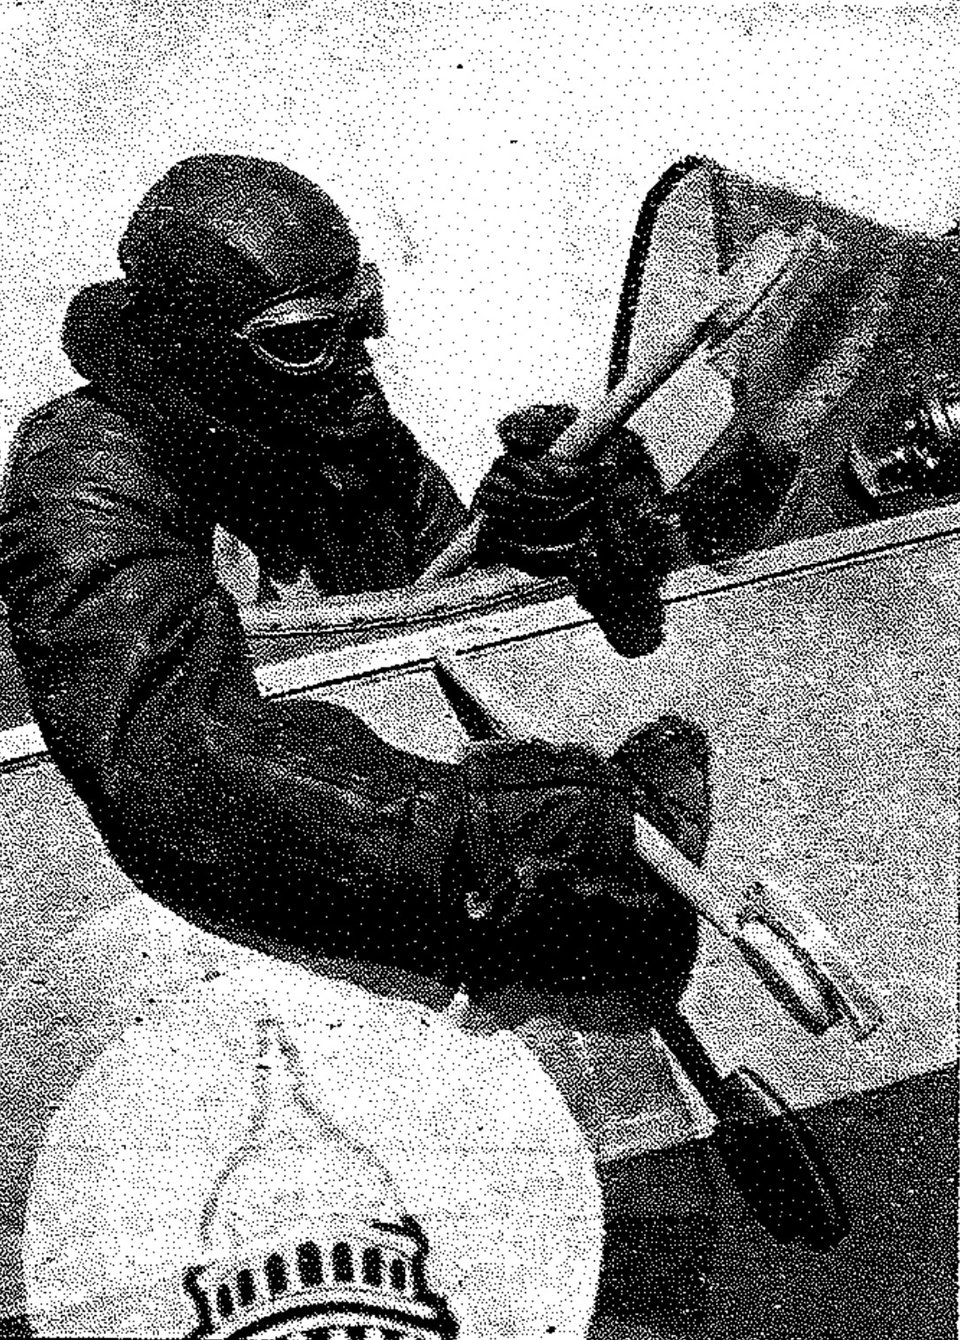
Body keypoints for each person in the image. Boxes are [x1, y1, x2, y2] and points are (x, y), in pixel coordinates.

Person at [0, 154, 708, 1019]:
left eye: (361, 316)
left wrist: (539, 541)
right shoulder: (86, 479)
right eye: (302, 340)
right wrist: (479, 828)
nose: (357, 364)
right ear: (190, 349)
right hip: (235, 982)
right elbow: (171, 756)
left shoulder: (339, 433)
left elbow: (432, 647)